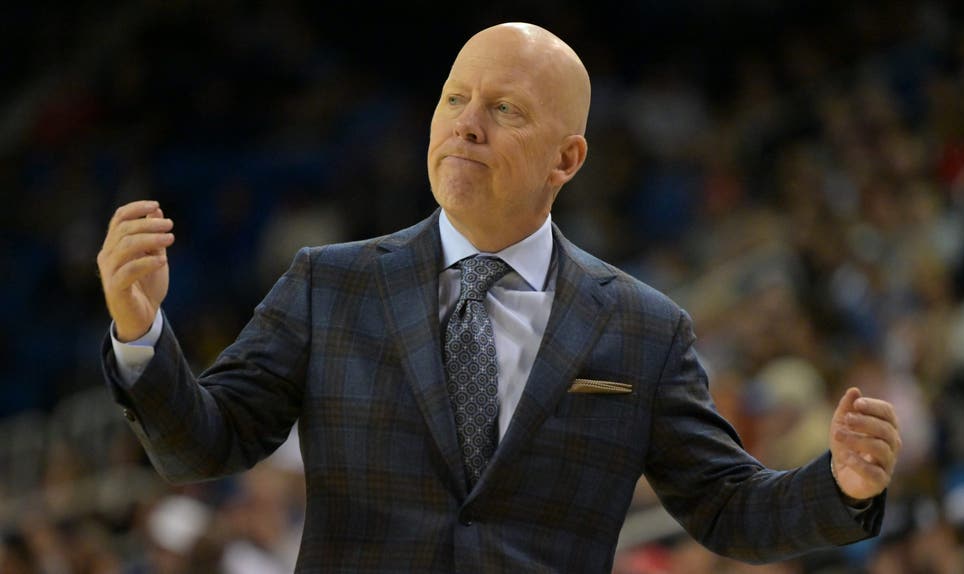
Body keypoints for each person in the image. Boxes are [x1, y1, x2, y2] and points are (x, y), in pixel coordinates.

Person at [96, 22, 902, 572]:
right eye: (455, 100)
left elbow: (726, 507)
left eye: (504, 109)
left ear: (569, 157)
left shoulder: (643, 329)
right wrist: (141, 334)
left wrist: (839, 488)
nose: (466, 125)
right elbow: (204, 445)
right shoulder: (328, 283)